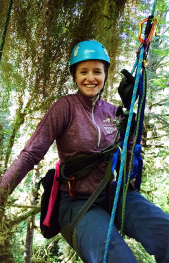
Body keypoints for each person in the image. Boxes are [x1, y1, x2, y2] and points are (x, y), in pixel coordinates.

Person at [0, 40, 169, 263]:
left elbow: (126, 169)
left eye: (97, 71)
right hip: (76, 201)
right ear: (75, 75)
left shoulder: (113, 112)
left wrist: (129, 123)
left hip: (113, 194)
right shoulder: (65, 108)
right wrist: (2, 192)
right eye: (83, 71)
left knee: (165, 233)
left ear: (105, 75)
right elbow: (30, 154)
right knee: (116, 258)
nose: (90, 78)